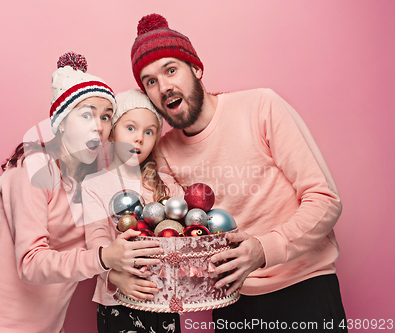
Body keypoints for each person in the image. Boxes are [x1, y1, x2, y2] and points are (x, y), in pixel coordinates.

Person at [130, 14, 347, 332]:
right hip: (233, 304)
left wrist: (263, 249)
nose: (163, 87)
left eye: (171, 70)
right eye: (150, 81)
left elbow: (326, 200)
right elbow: (171, 233)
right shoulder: (162, 151)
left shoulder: (262, 106)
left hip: (305, 289)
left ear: (197, 69)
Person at [0, 52, 163, 333]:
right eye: (86, 114)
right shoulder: (32, 169)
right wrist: (104, 259)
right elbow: (31, 263)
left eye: (105, 117)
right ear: (62, 122)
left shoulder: (93, 184)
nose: (98, 126)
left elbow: (102, 239)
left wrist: (115, 272)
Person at [82, 89, 184, 333]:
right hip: (119, 300)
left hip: (163, 300)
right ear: (113, 131)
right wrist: (114, 278)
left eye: (149, 132)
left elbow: (182, 236)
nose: (139, 138)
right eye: (130, 128)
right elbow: (96, 245)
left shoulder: (167, 185)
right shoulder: (94, 185)